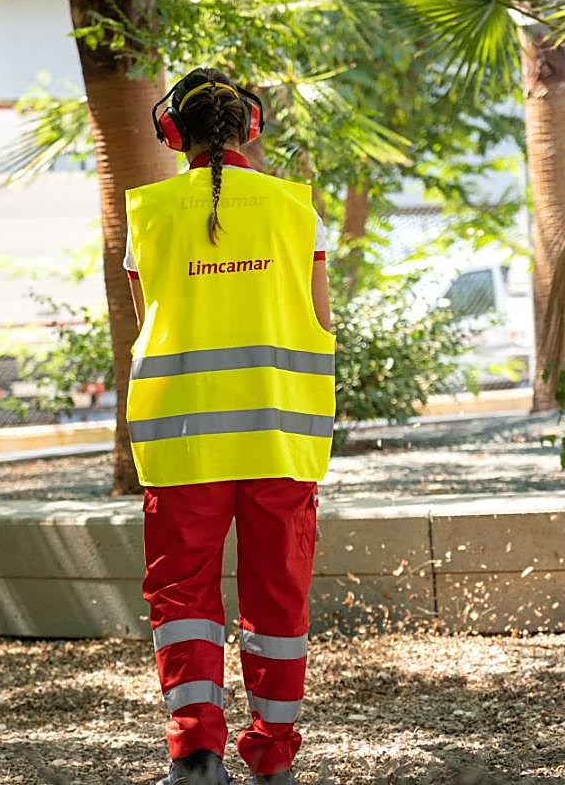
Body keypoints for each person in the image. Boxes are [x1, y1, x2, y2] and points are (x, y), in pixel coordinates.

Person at [123, 68, 336, 785]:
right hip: (279, 438)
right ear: (251, 126)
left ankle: (195, 757)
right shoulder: (294, 209)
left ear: (172, 134)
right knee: (277, 594)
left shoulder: (149, 214)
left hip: (182, 443)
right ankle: (272, 758)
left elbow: (145, 317)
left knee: (182, 597)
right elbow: (320, 321)